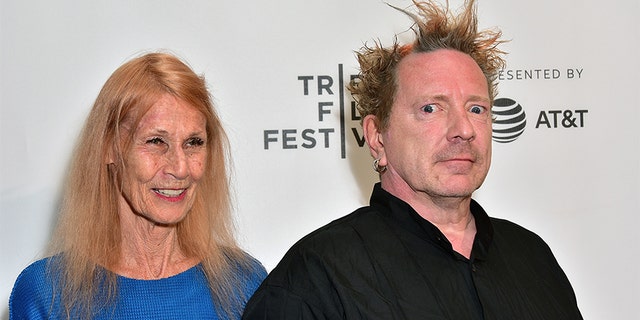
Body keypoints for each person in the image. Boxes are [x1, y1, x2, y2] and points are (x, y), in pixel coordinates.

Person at [242, 0, 582, 319]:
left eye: (476, 109)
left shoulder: (532, 257)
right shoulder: (316, 276)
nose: (463, 129)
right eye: (430, 108)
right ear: (377, 136)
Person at [9, 52, 267, 319]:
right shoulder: (47, 293)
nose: (180, 168)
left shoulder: (244, 282)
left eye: (193, 143)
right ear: (108, 148)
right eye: (156, 141)